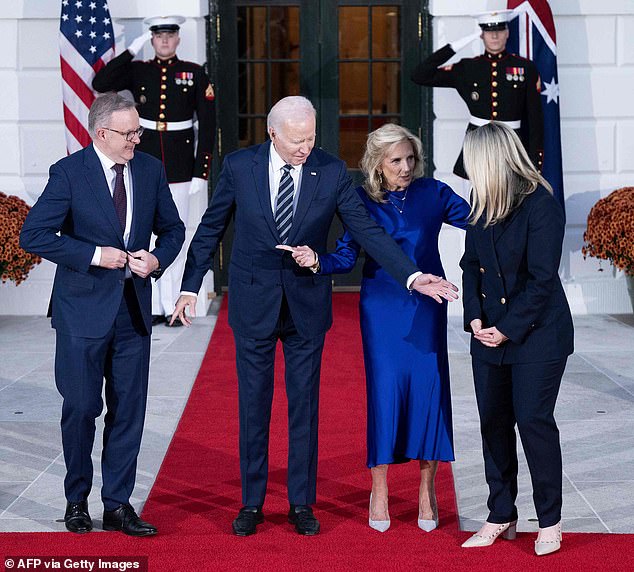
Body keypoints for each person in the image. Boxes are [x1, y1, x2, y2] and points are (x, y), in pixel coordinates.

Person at [171, 96, 459, 537]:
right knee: (254, 406)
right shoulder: (239, 166)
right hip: (253, 303)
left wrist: (414, 276)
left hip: (306, 306)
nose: (305, 147)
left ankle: (301, 504)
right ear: (273, 134)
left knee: (304, 407)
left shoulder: (329, 171)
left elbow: (368, 233)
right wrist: (190, 286)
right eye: (296, 140)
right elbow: (211, 227)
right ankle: (251, 504)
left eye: (310, 138)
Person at [20, 93, 185, 536]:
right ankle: (77, 500)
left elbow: (173, 229)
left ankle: (118, 504)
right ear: (102, 133)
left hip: (133, 313)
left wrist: (156, 260)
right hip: (81, 314)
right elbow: (33, 235)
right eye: (129, 132)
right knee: (80, 408)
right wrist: (95, 254)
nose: (137, 139)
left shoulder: (149, 169)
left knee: (128, 412)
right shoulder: (69, 173)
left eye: (138, 131)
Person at [291, 124, 470, 533]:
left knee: (429, 390)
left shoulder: (434, 193)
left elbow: (481, 223)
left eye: (410, 158)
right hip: (382, 308)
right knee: (386, 392)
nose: (405, 167)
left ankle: (427, 490)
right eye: (395, 160)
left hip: (427, 305)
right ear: (376, 164)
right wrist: (316, 261)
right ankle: (379, 488)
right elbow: (344, 257)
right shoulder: (360, 201)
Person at [459, 122, 573, 556]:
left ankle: (550, 521)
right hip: (486, 334)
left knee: (532, 421)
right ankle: (500, 512)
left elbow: (543, 281)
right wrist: (474, 319)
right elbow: (470, 265)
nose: (468, 169)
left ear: (490, 160)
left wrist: (505, 328)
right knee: (493, 424)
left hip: (536, 335)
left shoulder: (540, 205)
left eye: (472, 161)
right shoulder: (481, 200)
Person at [93, 15, 216, 326]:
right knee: (141, 231)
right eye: (158, 36)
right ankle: (150, 305)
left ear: (177, 39)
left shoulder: (194, 73)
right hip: (142, 157)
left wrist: (201, 170)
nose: (164, 41)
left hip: (179, 163)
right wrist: (131, 50)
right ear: (152, 39)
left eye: (169, 35)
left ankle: (174, 301)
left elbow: (208, 123)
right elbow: (101, 83)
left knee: (176, 233)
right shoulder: (139, 69)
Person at [411, 10, 543, 179]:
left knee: (512, 199)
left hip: (513, 146)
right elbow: (419, 75)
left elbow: (535, 119)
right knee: (474, 198)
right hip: (477, 146)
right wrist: (455, 46)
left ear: (507, 33)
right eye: (488, 31)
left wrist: (533, 161)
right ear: (481, 35)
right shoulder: (467, 68)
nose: (494, 36)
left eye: (500, 30)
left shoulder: (525, 68)